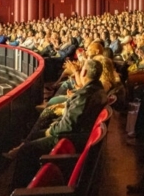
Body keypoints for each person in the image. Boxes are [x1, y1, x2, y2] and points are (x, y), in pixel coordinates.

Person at [6, 59, 108, 187]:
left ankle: (18, 188)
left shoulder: (86, 94)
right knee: (36, 135)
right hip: (77, 135)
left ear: (85, 72)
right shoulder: (97, 89)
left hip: (70, 138)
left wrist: (51, 129)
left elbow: (68, 125)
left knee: (26, 150)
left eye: (81, 69)